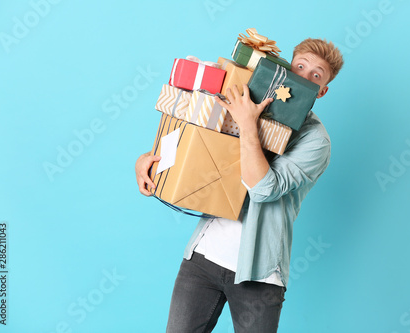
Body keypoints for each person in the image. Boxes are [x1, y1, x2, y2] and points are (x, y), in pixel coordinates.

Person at [135, 38, 344, 332]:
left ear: (322, 91)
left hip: (258, 274)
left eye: (316, 75)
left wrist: (247, 124)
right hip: (203, 258)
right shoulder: (249, 96)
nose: (305, 77)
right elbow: (196, 133)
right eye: (300, 67)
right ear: (286, 70)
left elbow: (264, 188)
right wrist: (150, 159)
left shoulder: (316, 141)